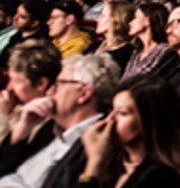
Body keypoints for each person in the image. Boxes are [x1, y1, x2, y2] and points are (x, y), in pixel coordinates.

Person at [0, 53, 120, 188]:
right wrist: (22, 129)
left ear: (84, 94)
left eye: (58, 84)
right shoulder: (48, 129)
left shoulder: (97, 143)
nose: (49, 91)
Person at [75, 75, 180, 188]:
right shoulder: (111, 163)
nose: (110, 120)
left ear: (149, 121)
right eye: (111, 110)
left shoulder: (163, 177)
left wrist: (93, 163)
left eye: (122, 113)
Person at [0, 40, 61, 147]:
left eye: (16, 81)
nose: (9, 88)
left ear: (41, 84)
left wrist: (3, 118)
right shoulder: (15, 107)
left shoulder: (44, 123)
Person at [123, 3, 176, 78]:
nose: (130, 23)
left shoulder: (164, 51)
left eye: (135, 18)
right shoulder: (137, 53)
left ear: (148, 21)